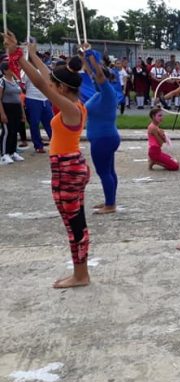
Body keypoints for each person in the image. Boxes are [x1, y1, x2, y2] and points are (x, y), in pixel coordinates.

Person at [7, 33, 91, 288]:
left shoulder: (70, 109)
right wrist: (31, 53)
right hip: (72, 166)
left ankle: (81, 275)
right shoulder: (75, 104)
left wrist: (19, 58)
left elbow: (44, 85)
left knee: (73, 225)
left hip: (67, 169)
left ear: (64, 89)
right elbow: (47, 79)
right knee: (78, 222)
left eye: (57, 86)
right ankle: (81, 273)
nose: (52, 87)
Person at [83, 50, 121, 215]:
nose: (93, 79)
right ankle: (109, 200)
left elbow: (98, 73)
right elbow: (92, 72)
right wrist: (84, 55)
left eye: (96, 78)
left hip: (103, 139)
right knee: (109, 171)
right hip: (105, 137)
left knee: (104, 172)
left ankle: (110, 205)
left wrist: (93, 58)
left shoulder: (107, 92)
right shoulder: (100, 93)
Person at [22, 63, 54, 154]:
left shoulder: (44, 70)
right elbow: (23, 85)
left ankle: (55, 142)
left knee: (51, 123)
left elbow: (50, 82)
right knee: (34, 123)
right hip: (33, 99)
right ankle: (38, 145)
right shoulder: (26, 71)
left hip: (45, 99)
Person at [0, 61, 26, 165]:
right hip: (7, 108)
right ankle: (4, 154)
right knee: (7, 131)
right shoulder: (2, 81)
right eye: (11, 68)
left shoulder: (15, 81)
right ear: (5, 70)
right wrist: (2, 114)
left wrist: (22, 113)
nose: (14, 69)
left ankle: (12, 152)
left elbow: (19, 98)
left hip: (16, 108)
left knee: (15, 131)